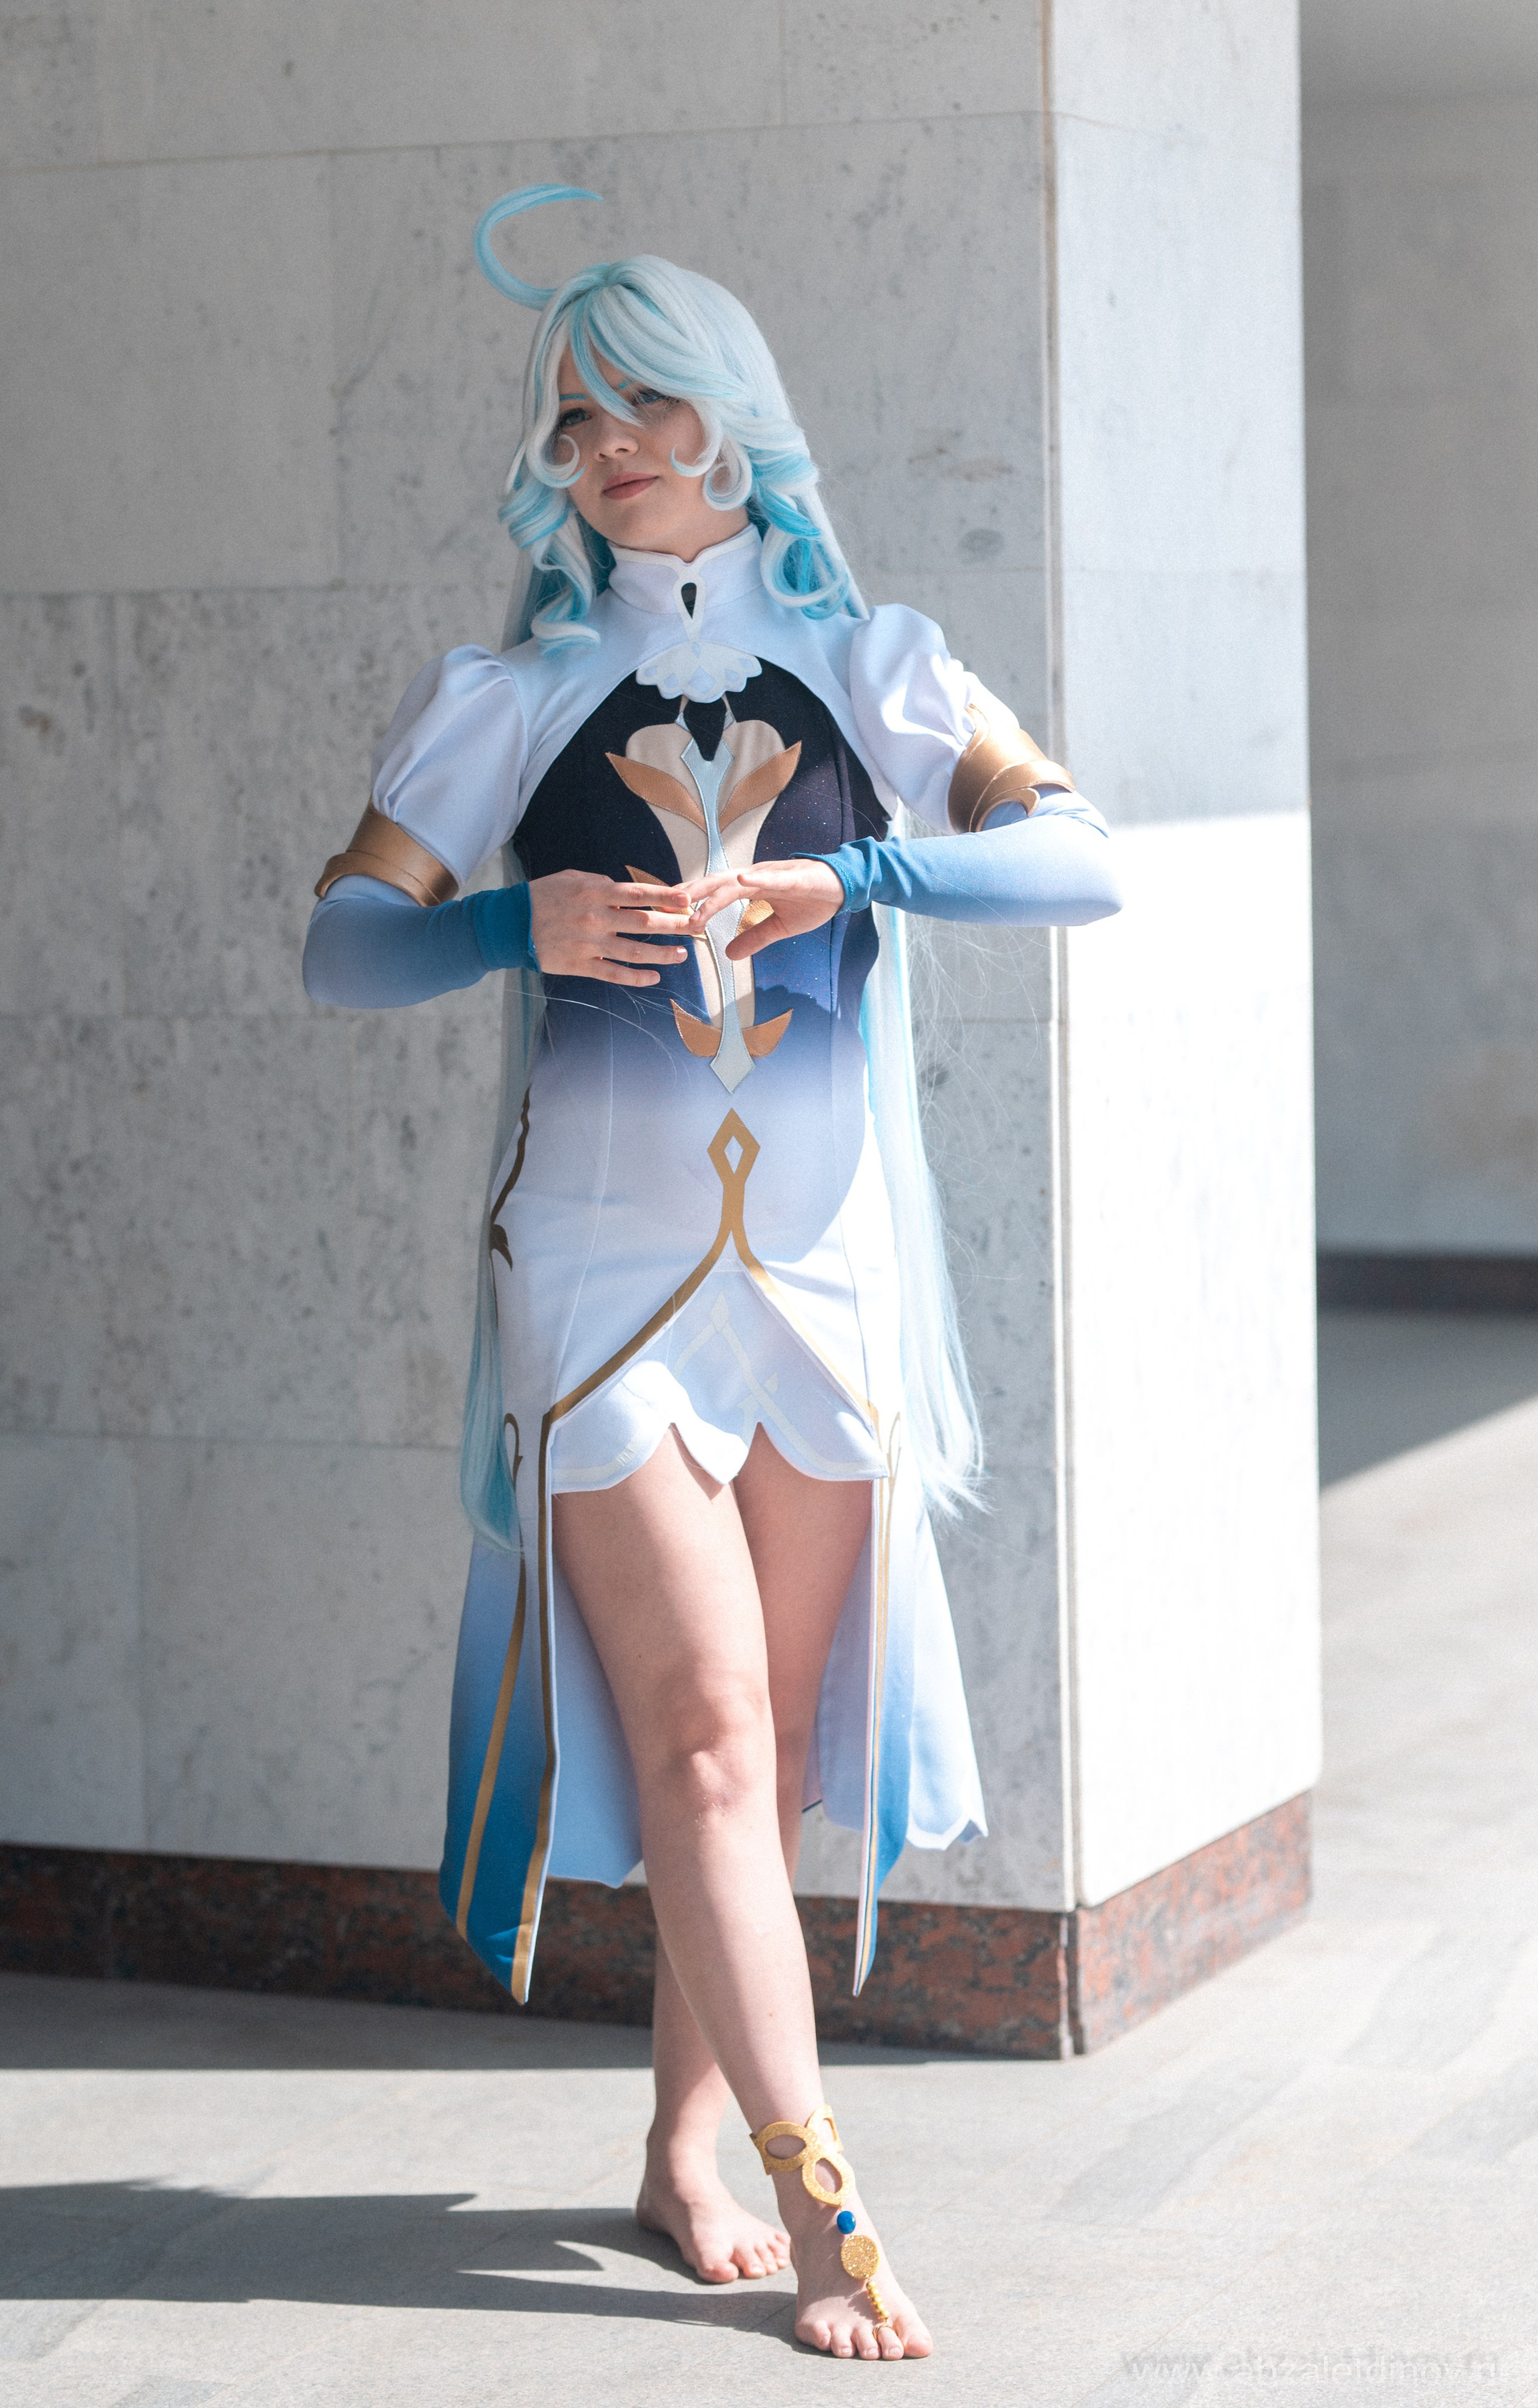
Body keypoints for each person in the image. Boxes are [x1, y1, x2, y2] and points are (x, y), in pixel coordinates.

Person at [303, 184, 1121, 2361]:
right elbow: (342, 945)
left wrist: (862, 879)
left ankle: (681, 2144)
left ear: (735, 416)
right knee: (702, 1741)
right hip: (597, 1289)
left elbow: (1079, 863)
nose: (610, 450)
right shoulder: (509, 692)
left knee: (746, 1757)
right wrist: (514, 924)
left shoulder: (878, 663)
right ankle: (826, 2202)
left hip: (827, 1286)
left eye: (645, 406)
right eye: (573, 423)